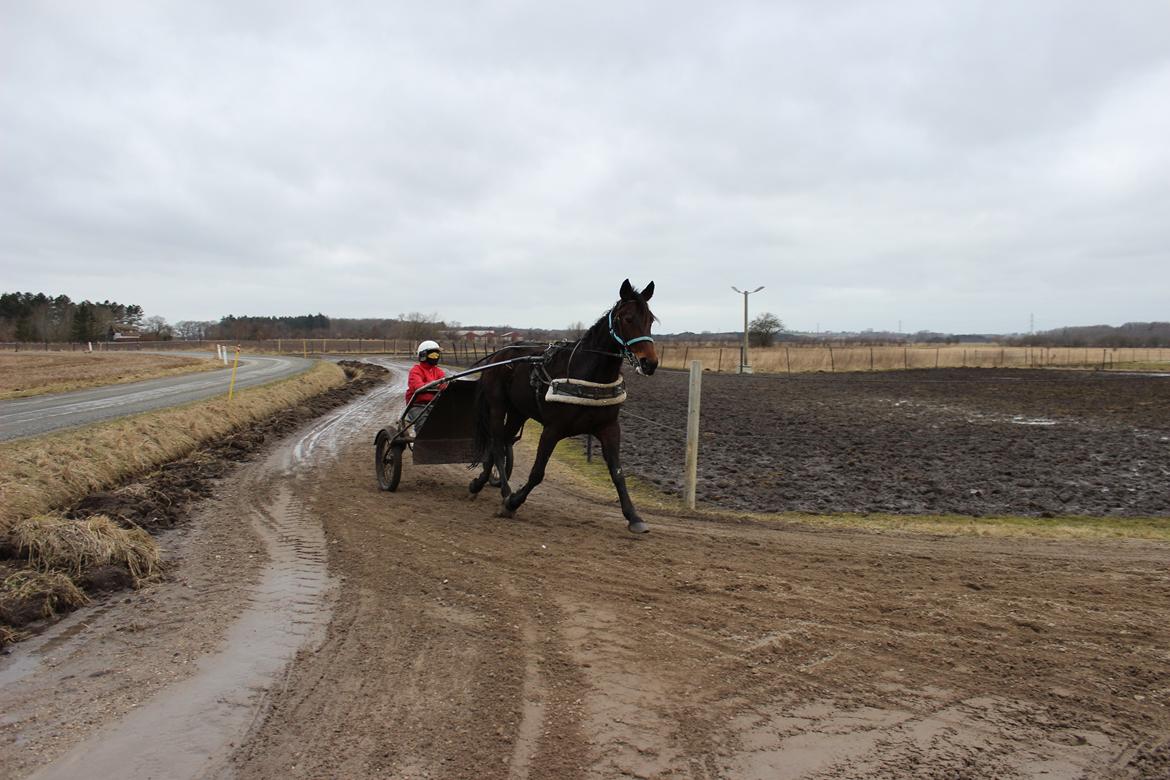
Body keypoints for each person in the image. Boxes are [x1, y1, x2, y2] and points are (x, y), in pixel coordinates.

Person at [404, 339, 447, 431]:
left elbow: (444, 386)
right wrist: (435, 384)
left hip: (434, 404)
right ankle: (422, 443)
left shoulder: (439, 371)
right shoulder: (416, 370)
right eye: (433, 355)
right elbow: (418, 387)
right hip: (416, 405)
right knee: (423, 425)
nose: (435, 357)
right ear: (423, 355)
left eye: (437, 355)